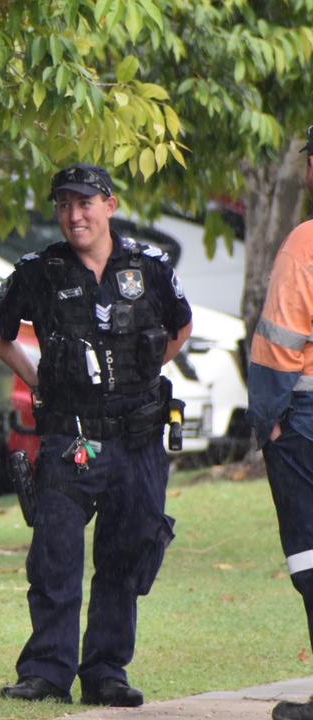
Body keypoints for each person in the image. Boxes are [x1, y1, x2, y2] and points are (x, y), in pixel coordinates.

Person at [0, 163, 193, 707]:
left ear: (110, 205)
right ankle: (47, 673)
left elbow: (180, 326)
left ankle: (105, 672)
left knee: (126, 555)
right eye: (64, 205)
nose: (74, 215)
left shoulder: (149, 266)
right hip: (71, 437)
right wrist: (35, 378)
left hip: (139, 439)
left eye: (85, 203)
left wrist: (143, 375)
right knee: (55, 556)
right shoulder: (41, 270)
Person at [248, 126, 313, 720]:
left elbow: (278, 343)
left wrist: (267, 421)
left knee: (311, 558)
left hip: (305, 424)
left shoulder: (305, 243)